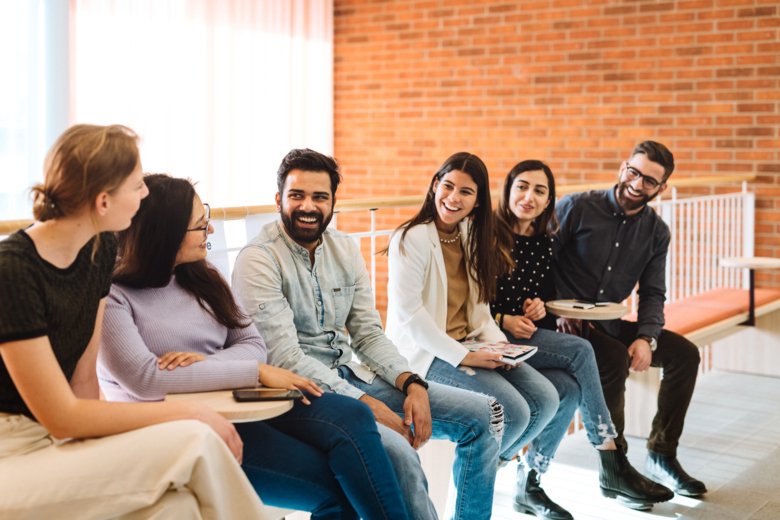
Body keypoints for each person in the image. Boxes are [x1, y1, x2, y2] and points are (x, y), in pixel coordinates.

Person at [98, 174, 410, 520]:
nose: (211, 231)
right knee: (339, 488)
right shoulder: (112, 297)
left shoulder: (204, 277)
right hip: (183, 426)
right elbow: (145, 379)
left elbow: (252, 343)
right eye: (201, 226)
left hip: (243, 404)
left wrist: (206, 363)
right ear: (166, 233)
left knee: (353, 414)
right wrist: (253, 371)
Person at [0, 124, 268, 518]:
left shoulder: (99, 250)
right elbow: (60, 415)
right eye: (137, 185)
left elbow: (84, 384)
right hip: (14, 451)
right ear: (103, 201)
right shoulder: (13, 272)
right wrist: (189, 412)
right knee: (195, 440)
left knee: (178, 508)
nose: (145, 195)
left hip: (62, 439)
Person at [232, 148, 505, 520]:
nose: (308, 206)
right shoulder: (258, 259)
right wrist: (366, 404)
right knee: (400, 454)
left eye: (319, 197)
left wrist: (412, 382)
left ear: (333, 203)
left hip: (353, 374)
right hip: (303, 393)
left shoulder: (345, 248)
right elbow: (285, 358)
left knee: (483, 416)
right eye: (297, 195)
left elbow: (368, 334)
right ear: (279, 199)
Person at [491, 159, 673, 518]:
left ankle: (530, 485)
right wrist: (505, 318)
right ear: (508, 188)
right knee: (581, 350)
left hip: (528, 337)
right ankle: (610, 455)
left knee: (570, 389)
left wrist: (537, 309)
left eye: (540, 191)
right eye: (522, 186)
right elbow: (473, 300)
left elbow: (540, 296)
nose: (529, 196)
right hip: (491, 336)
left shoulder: (542, 242)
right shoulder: (487, 236)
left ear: (549, 202)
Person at [554, 141, 707, 506]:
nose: (637, 185)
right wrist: (557, 310)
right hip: (562, 323)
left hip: (609, 323)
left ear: (662, 188)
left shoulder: (657, 231)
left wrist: (647, 338)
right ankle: (617, 467)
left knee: (685, 354)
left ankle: (662, 454)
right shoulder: (576, 206)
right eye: (634, 172)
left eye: (650, 181)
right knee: (611, 358)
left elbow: (653, 293)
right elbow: (543, 264)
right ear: (624, 166)